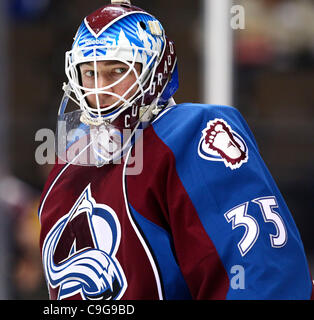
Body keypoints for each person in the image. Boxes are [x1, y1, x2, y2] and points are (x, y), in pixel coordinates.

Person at [38, 0, 313, 300]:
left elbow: (262, 279)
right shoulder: (66, 169)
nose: (100, 90)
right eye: (89, 73)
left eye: (117, 70)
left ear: (155, 74)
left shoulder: (191, 133)